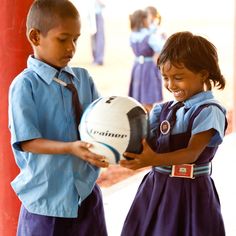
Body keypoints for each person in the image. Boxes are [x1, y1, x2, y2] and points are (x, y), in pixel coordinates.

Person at [8, 1, 109, 235]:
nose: (71, 48)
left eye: (76, 39)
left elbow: (101, 124)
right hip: (46, 203)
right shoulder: (25, 85)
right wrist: (70, 148)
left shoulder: (83, 79)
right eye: (63, 39)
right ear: (35, 36)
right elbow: (27, 141)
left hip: (86, 196)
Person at [120, 31, 227, 236]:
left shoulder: (209, 111)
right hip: (155, 189)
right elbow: (144, 143)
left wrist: (154, 159)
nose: (170, 85)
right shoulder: (163, 110)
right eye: (166, 78)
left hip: (191, 194)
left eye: (178, 78)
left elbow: (192, 153)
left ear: (203, 74)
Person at [128, 10, 165, 112]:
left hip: (137, 68)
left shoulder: (132, 35)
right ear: (143, 20)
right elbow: (161, 47)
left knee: (138, 99)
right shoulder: (150, 36)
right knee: (148, 100)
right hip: (149, 69)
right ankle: (149, 123)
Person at [88, 0, 105, 65]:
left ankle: (99, 59)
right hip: (91, 15)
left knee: (100, 38)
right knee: (93, 38)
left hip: (97, 15)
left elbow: (104, 4)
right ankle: (95, 58)